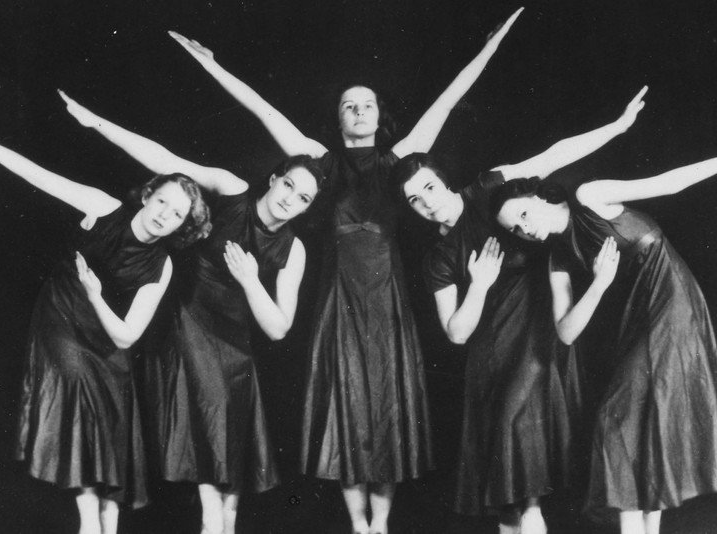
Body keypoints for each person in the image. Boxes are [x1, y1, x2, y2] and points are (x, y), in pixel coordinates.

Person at [168, 9, 523, 533]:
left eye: (367, 104)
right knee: (346, 411)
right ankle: (360, 527)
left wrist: (491, 46)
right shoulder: (319, 163)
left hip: (390, 304)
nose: (358, 111)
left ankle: (382, 525)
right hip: (338, 303)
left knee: (389, 412)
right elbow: (263, 111)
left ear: (379, 116)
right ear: (338, 120)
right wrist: (211, 65)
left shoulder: (400, 161)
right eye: (348, 106)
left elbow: (448, 100)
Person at [489, 122, 717, 534]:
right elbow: (566, 332)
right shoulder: (557, 258)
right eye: (515, 229)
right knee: (642, 419)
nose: (524, 230)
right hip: (636, 314)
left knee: (618, 421)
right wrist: (599, 284)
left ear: (539, 195)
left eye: (523, 215)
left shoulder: (589, 197)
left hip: (671, 296)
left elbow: (668, 183)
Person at [59, 92, 323, 534]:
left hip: (235, 344)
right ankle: (211, 520)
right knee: (209, 413)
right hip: (185, 322)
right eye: (289, 186)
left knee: (232, 432)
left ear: (308, 208)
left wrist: (251, 281)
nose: (290, 199)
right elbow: (166, 161)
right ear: (275, 179)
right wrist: (96, 123)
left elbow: (278, 328)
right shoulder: (232, 190)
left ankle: (223, 523)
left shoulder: (293, 249)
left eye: (304, 199)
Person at [0, 105, 211, 534]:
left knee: (115, 409)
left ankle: (107, 522)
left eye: (177, 214)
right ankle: (89, 522)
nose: (164, 214)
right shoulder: (102, 207)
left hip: (104, 330)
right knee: (78, 383)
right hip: (62, 313)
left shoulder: (162, 266)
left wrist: (97, 295)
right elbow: (38, 176)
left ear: (181, 225)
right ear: (147, 195)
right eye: (162, 201)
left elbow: (127, 336)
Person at [391, 87, 647, 534]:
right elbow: (456, 332)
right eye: (414, 199)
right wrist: (479, 285)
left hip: (541, 340)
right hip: (492, 359)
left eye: (428, 187)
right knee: (510, 495)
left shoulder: (488, 190)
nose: (426, 201)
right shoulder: (438, 259)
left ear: (444, 182)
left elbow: (552, 156)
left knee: (523, 480)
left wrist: (617, 127)